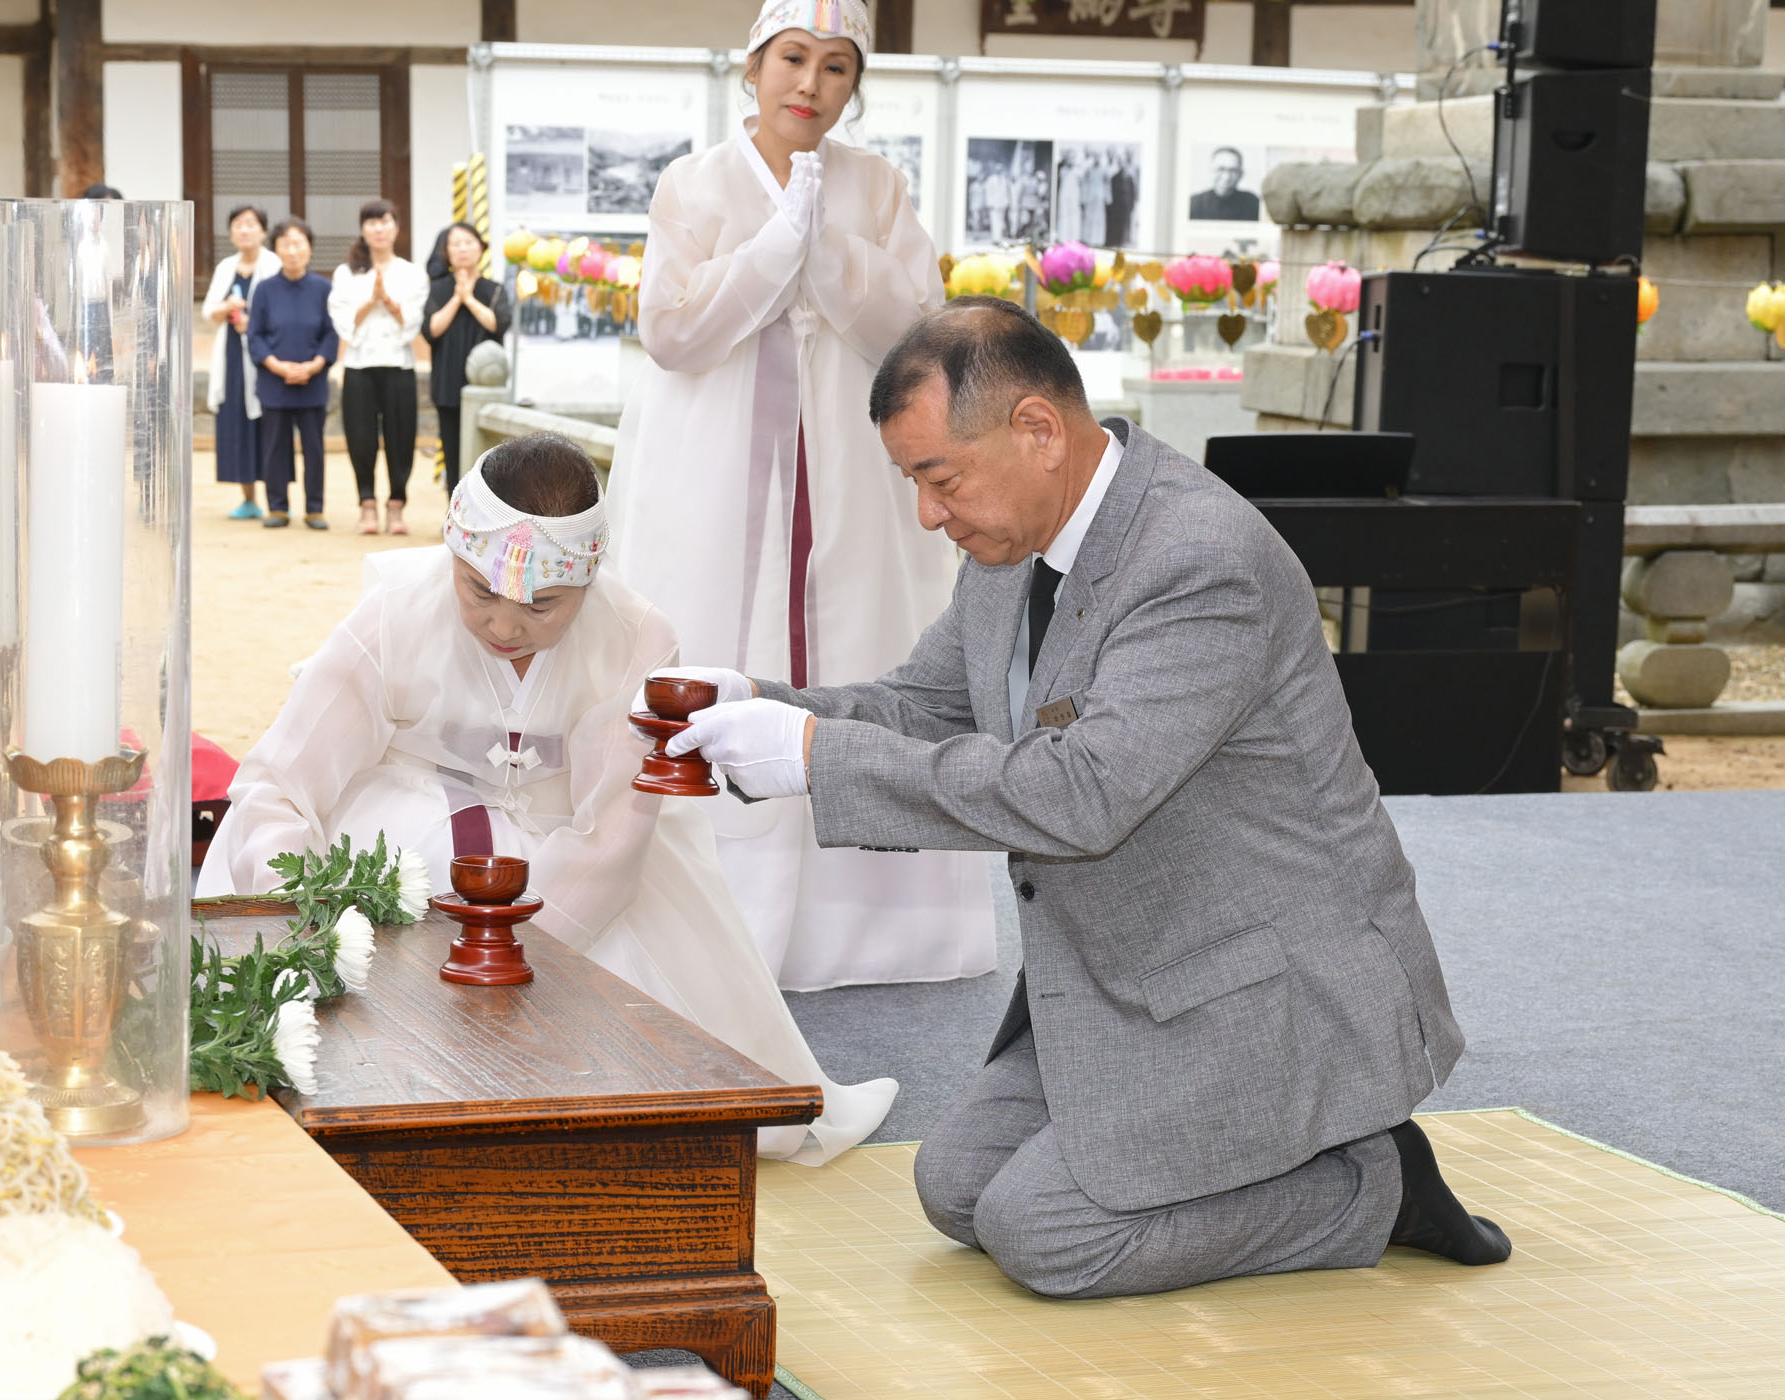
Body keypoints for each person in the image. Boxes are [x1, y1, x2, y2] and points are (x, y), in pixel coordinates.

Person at [664, 297, 1513, 1299]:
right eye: (913, 482)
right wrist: (759, 703)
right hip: (1126, 971)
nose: (928, 513)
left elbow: (1084, 793)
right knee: (955, 1186)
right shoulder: (1013, 543)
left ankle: (1375, 1183)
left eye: (940, 477)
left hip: (1270, 995)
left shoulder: (1201, 559)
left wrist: (811, 756)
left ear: (1037, 429)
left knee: (1044, 1234)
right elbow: (922, 706)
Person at [197, 433, 895, 1166]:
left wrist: (511, 958)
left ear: (588, 581)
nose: (505, 626)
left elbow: (611, 838)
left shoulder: (637, 637)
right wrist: (306, 919)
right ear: (453, 554)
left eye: (543, 605)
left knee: (641, 1071)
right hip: (399, 833)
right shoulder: (395, 614)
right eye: (480, 591)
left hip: (571, 857)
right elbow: (279, 781)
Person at [605, 0, 994, 992]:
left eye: (835, 66)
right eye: (792, 58)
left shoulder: (877, 184)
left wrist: (827, 248)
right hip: (715, 465)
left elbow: (919, 329)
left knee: (861, 641)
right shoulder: (693, 183)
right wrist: (776, 246)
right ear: (752, 64)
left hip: (849, 464)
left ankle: (869, 930)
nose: (810, 84)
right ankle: (709, 918)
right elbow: (671, 332)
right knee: (712, 637)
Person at [331, 199, 429, 536]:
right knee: (360, 437)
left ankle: (396, 505)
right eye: (371, 222)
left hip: (398, 365)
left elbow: (412, 323)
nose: (379, 229)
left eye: (385, 221)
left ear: (396, 227)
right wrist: (371, 300)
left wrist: (387, 301)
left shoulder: (412, 273)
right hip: (359, 366)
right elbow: (344, 323)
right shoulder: (346, 273)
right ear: (363, 229)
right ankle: (367, 504)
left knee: (401, 437)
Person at [248, 218, 338, 530]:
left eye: (299, 243)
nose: (293, 250)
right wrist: (277, 366)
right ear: (276, 249)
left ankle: (315, 509)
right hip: (275, 382)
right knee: (274, 447)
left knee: (314, 448)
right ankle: (277, 507)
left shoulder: (324, 289)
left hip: (312, 383)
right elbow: (255, 335)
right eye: (286, 244)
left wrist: (314, 365)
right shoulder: (264, 290)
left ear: (310, 248)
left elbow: (331, 333)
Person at [422, 222, 510, 496]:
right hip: (448, 384)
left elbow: (498, 324)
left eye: (468, 242)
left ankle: (486, 510)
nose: (462, 249)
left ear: (481, 248)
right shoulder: (438, 289)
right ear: (446, 252)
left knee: (487, 458)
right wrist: (456, 299)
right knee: (453, 456)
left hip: (485, 386)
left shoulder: (494, 290)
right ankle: (455, 510)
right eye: (455, 244)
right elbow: (431, 330)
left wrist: (469, 298)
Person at [203, 204, 279, 520]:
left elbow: (281, 312)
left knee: (269, 426)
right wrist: (227, 307)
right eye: (237, 224)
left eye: (250, 224)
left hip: (267, 354)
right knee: (238, 422)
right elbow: (209, 312)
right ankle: (249, 498)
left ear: (263, 230)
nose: (244, 230)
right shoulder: (226, 267)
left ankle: (277, 500)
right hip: (232, 355)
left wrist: (254, 324)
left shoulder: (274, 265)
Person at [1190, 146, 1261, 221]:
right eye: (1220, 169)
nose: (1226, 177)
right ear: (1210, 171)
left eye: (1233, 170)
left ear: (1241, 174)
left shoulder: (1253, 203)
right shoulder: (1194, 203)